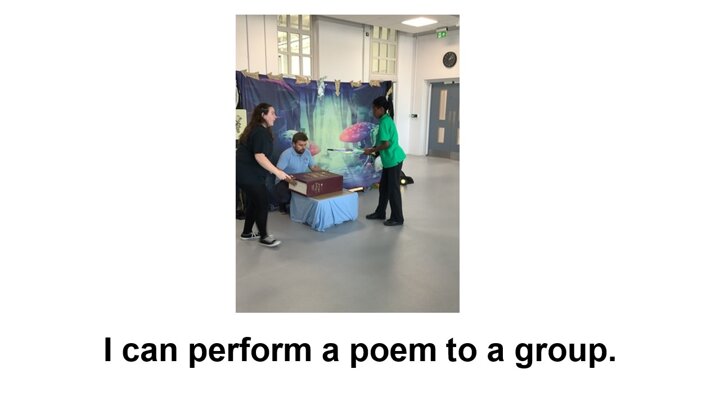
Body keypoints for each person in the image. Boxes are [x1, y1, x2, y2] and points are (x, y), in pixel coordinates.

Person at [236, 103, 292, 247]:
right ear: (263, 115)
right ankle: (264, 237)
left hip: (244, 174)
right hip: (249, 176)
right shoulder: (260, 132)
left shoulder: (255, 130)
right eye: (272, 113)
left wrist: (277, 171)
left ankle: (247, 233)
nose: (275, 116)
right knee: (262, 203)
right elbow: (260, 156)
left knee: (253, 202)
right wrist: (278, 172)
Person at [363, 96, 406, 226]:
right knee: (384, 188)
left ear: (381, 109)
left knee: (393, 190)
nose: (373, 112)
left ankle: (397, 218)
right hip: (389, 160)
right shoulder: (385, 120)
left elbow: (386, 144)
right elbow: (383, 143)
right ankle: (380, 212)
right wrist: (373, 149)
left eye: (374, 109)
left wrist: (371, 150)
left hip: (393, 159)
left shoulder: (384, 122)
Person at [274, 132, 321, 213]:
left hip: (301, 179)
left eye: (305, 145)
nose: (303, 147)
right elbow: (278, 171)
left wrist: (324, 173)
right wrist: (292, 181)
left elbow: (313, 167)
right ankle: (283, 205)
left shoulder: (307, 153)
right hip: (284, 179)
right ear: (293, 144)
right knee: (287, 195)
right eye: (300, 145)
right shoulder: (286, 154)